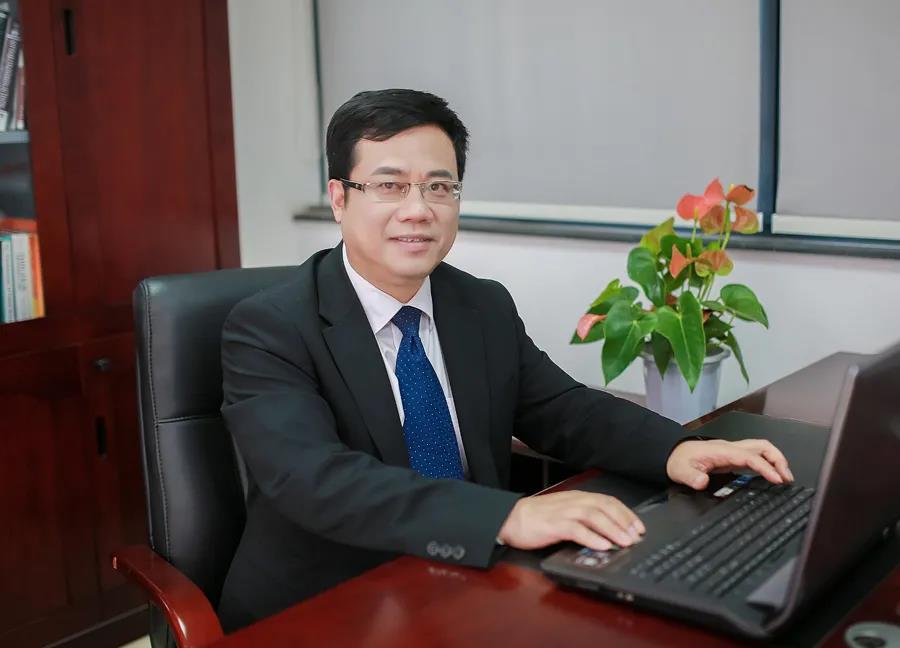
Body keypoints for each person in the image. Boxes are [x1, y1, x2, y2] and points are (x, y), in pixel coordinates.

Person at [217, 89, 793, 631]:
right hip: (327, 606)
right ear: (340, 199)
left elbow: (564, 410)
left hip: (471, 583)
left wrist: (676, 449)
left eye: (439, 187)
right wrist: (505, 517)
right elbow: (315, 480)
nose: (418, 210)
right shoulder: (269, 326)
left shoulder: (480, 304)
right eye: (389, 186)